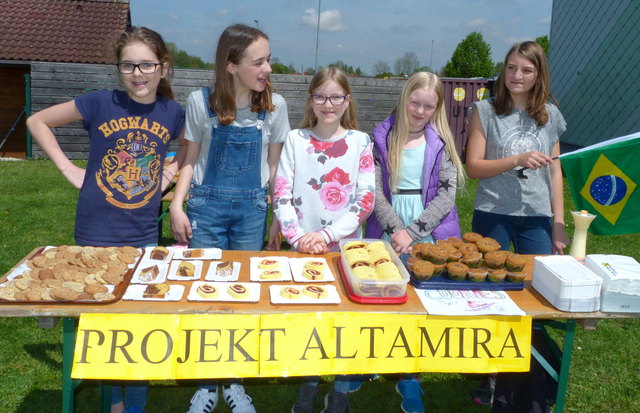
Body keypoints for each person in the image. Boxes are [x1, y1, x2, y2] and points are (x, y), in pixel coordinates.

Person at [27, 26, 186, 413]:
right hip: (95, 231)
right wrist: (67, 168)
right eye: (128, 65)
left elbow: (188, 149)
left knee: (138, 324)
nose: (138, 73)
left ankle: (135, 403)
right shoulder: (98, 102)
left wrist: (166, 177)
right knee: (101, 324)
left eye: (147, 64)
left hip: (143, 232)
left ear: (163, 67)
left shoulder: (173, 112)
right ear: (118, 68)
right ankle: (111, 398)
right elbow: (37, 122)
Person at [169, 24, 290, 413]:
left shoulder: (274, 107)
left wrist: (276, 217)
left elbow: (275, 170)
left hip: (252, 212)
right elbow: (188, 161)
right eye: (260, 61)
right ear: (232, 65)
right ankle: (206, 384)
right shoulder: (200, 102)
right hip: (206, 207)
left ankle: (235, 381)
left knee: (244, 295)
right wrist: (176, 204)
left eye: (268, 59)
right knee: (205, 294)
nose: (268, 68)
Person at [465, 41, 569, 412]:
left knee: (534, 297)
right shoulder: (486, 110)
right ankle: (488, 373)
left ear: (539, 74)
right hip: (493, 215)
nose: (516, 76)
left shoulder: (550, 115)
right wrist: (515, 159)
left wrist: (558, 222)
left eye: (526, 70)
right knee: (494, 296)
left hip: (537, 219)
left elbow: (556, 170)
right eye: (511, 68)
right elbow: (473, 167)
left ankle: (529, 377)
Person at [364, 71, 465, 413]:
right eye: (415, 103)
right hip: (388, 228)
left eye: (428, 106)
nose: (419, 111)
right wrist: (395, 228)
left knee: (418, 308)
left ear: (437, 109)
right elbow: (374, 190)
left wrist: (414, 230)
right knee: (383, 298)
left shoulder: (440, 143)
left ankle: (410, 377)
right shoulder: (382, 137)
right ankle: (376, 358)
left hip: (428, 232)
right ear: (404, 98)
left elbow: (448, 194)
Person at [275, 67, 375, 412]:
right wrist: (299, 237)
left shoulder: (361, 143)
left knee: (344, 325)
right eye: (321, 96)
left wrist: (327, 235)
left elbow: (365, 200)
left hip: (344, 250)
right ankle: (309, 383)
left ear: (347, 101)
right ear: (311, 100)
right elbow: (281, 193)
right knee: (308, 320)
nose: (328, 104)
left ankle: (341, 390)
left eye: (336, 97)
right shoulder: (295, 140)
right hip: (303, 250)